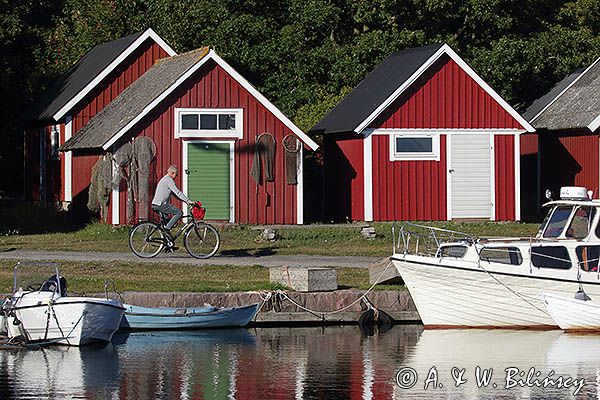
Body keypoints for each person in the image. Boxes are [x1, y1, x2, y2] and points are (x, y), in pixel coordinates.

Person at [152, 165, 191, 234]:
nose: (177, 176)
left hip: (156, 204)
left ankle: (166, 240)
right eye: (176, 174)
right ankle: (167, 229)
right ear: (172, 173)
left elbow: (175, 194)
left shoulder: (165, 179)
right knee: (179, 212)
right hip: (161, 204)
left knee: (167, 220)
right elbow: (178, 192)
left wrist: (185, 201)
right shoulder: (169, 180)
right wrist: (188, 201)